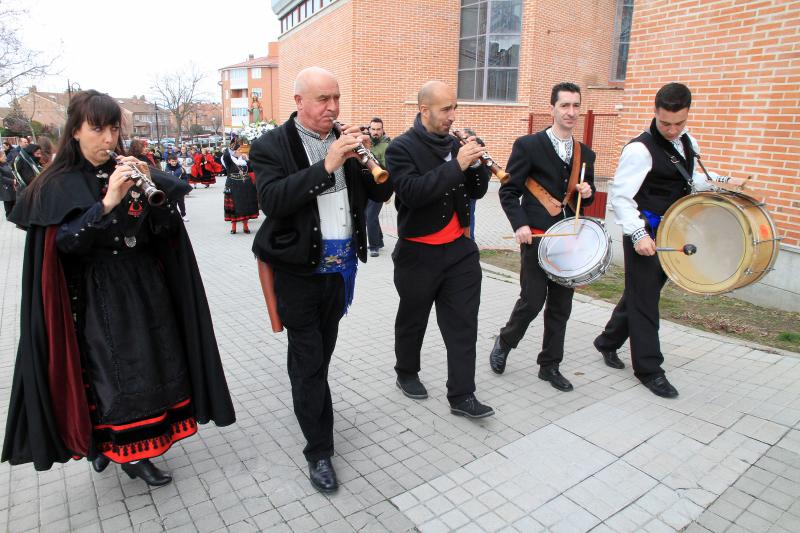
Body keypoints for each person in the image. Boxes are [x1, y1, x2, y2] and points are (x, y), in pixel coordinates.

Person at [1, 90, 235, 483]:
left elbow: (163, 232)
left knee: (153, 365)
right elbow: (63, 245)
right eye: (98, 129)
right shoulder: (56, 183)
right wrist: (107, 202)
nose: (108, 139)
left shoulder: (128, 167)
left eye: (113, 128)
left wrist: (148, 195)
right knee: (111, 376)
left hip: (144, 285)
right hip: (95, 297)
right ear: (75, 131)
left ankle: (135, 446)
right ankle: (120, 450)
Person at [249, 67, 392, 493]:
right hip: (298, 273)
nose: (332, 108)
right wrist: (327, 165)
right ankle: (319, 450)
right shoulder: (271, 145)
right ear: (298, 101)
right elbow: (272, 201)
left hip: (339, 272)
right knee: (309, 361)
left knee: (320, 357)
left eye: (336, 98)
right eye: (322, 99)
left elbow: (383, 194)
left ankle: (312, 401)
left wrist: (369, 159)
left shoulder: (346, 140)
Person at [593, 82, 740, 398]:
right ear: (655, 113)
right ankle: (649, 369)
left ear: (687, 115)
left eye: (679, 123)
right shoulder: (639, 150)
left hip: (673, 233)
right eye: (665, 123)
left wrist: (724, 183)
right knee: (646, 301)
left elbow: (690, 179)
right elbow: (620, 198)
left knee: (642, 292)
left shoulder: (688, 141)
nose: (672, 130)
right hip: (645, 233)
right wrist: (637, 233)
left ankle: (606, 341)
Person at [385, 80, 494, 419]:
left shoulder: (456, 144)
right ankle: (406, 371)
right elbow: (413, 193)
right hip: (418, 254)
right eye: (446, 109)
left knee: (463, 325)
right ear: (424, 111)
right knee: (413, 320)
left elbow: (474, 192)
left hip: (460, 251)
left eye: (454, 108)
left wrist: (477, 165)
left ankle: (462, 395)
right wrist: (458, 164)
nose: (452, 116)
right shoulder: (400, 148)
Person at [489, 82, 596, 392]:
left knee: (561, 306)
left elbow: (581, 202)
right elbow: (509, 191)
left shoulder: (584, 153)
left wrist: (586, 194)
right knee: (532, 300)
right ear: (553, 108)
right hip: (536, 236)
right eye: (565, 105)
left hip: (569, 242)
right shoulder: (528, 146)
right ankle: (505, 341)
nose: (571, 112)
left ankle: (549, 366)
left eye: (576, 106)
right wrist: (519, 224)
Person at [365, 117, 390, 257]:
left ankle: (374, 246)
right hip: (367, 186)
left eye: (378, 129)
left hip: (381, 186)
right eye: (373, 129)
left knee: (370, 216)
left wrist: (389, 192)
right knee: (369, 215)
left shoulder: (386, 146)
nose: (375, 132)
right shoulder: (366, 142)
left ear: (382, 130)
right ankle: (379, 240)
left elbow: (390, 170)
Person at [222, 141, 258, 234]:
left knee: (245, 206)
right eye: (238, 149)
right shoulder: (230, 161)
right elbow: (226, 155)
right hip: (233, 186)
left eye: (240, 149)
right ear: (234, 152)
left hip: (245, 186)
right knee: (234, 207)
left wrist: (248, 160)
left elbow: (252, 168)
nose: (240, 151)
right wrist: (230, 148)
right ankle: (233, 227)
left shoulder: (243, 161)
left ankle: (245, 226)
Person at [164, 154, 189, 220]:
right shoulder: (166, 170)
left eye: (175, 161)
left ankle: (183, 215)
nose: (174, 162)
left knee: (181, 203)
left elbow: (185, 178)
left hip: (179, 189)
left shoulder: (181, 169)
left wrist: (183, 183)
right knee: (172, 203)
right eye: (172, 161)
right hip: (171, 189)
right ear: (169, 161)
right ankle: (174, 216)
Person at [0, 150, 14, 218]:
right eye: (4, 156)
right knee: (8, 201)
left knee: (12, 200)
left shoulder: (6, 163)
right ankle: (8, 216)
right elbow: (1, 178)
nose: (6, 157)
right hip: (5, 187)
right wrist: (12, 181)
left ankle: (13, 215)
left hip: (11, 186)